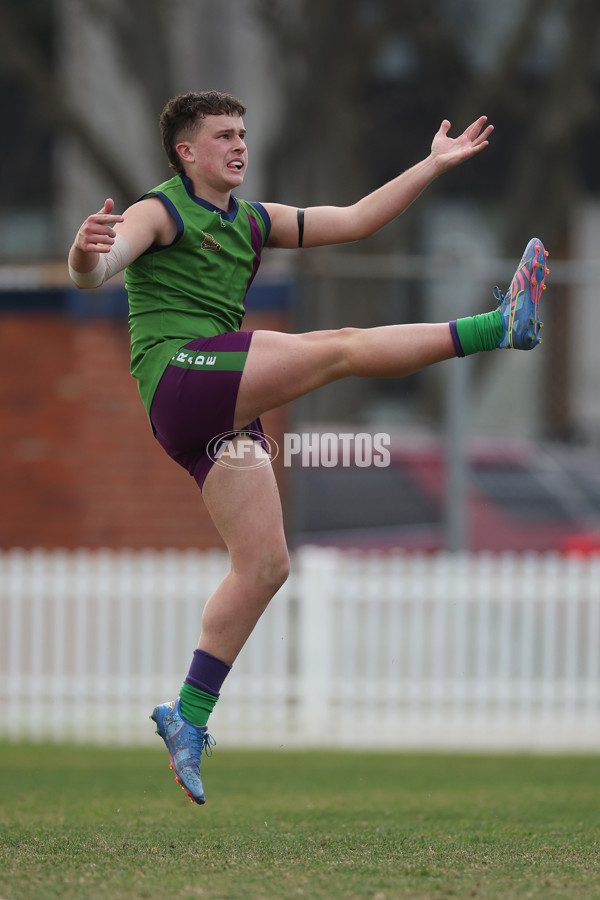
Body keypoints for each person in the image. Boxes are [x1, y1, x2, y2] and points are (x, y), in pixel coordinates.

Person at [68, 90, 548, 805]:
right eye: (223, 136)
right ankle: (496, 325)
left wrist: (431, 164)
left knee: (264, 565)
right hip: (180, 378)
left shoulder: (254, 220)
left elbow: (353, 221)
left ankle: (187, 718)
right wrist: (85, 254)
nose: (238, 146)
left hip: (216, 407)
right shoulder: (159, 209)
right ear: (186, 153)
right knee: (337, 349)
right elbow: (100, 272)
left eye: (242, 134)